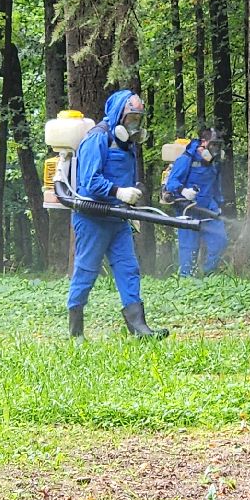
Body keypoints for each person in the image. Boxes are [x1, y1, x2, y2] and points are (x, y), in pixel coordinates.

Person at [66, 89, 169, 339]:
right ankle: (76, 332)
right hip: (93, 218)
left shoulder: (127, 144)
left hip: (118, 218)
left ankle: (139, 327)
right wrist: (119, 192)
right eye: (131, 117)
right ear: (118, 115)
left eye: (138, 119)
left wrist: (132, 192)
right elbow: (90, 181)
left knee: (128, 269)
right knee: (86, 270)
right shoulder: (97, 138)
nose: (134, 124)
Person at [164, 128, 228, 277]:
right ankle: (187, 280)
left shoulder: (215, 162)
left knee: (220, 240)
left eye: (218, 145)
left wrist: (219, 204)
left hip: (208, 207)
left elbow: (216, 186)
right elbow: (171, 182)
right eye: (213, 144)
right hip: (188, 208)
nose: (215, 149)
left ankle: (208, 274)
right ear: (203, 143)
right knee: (189, 248)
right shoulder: (187, 158)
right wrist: (183, 191)